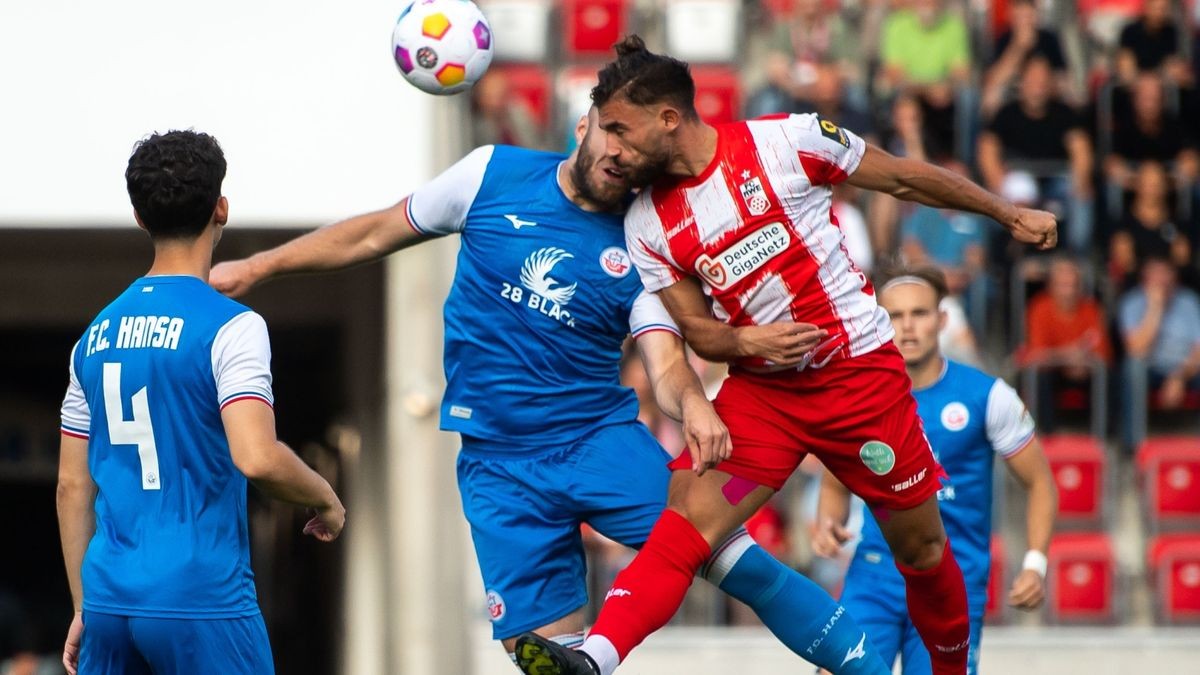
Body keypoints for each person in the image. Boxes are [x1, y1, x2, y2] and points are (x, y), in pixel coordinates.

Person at [210, 110, 892, 673]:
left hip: (600, 444)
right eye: (612, 137)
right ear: (585, 123)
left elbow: (665, 357)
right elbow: (372, 232)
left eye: (635, 155)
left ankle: (868, 663)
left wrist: (691, 404)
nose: (620, 158)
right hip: (498, 466)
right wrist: (260, 266)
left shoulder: (641, 241)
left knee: (735, 560)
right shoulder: (490, 174)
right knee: (547, 660)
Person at [513, 35, 1057, 675]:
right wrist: (745, 341)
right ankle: (597, 658)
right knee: (690, 515)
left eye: (620, 131)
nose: (612, 148)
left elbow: (905, 178)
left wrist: (1004, 212)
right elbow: (699, 332)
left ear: (669, 119)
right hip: (766, 403)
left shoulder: (790, 142)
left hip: (861, 386)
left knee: (923, 551)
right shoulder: (646, 224)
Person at [55, 130, 346, 675]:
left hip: (108, 601)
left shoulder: (92, 337)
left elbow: (72, 484)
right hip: (201, 599)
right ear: (222, 208)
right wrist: (325, 496)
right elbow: (256, 457)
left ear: (140, 217)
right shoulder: (232, 327)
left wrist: (83, 607)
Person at [813, 265, 1058, 675]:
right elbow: (836, 479)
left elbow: (1040, 483)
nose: (907, 327)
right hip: (876, 576)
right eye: (894, 315)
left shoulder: (988, 396)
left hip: (954, 580)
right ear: (878, 322)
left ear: (942, 319)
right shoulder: (860, 399)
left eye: (919, 313)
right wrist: (828, 520)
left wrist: (1035, 563)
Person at [1118, 257, 1200, 448]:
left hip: (1185, 367)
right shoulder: (1132, 302)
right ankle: (1134, 444)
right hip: (1151, 367)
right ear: (1144, 278)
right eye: (1155, 274)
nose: (1161, 280)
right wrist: (1155, 308)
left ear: (1175, 277)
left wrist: (1179, 377)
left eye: (1165, 273)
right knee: (1133, 365)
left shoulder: (1189, 301)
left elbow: (1198, 350)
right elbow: (1136, 349)